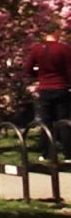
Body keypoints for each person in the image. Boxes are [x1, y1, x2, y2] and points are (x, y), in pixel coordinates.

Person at [26, 29, 71, 159]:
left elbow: (28, 69)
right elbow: (69, 70)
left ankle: (46, 153)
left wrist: (39, 76)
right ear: (56, 33)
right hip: (61, 87)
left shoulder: (37, 49)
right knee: (64, 122)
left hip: (44, 88)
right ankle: (68, 153)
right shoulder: (64, 49)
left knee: (46, 122)